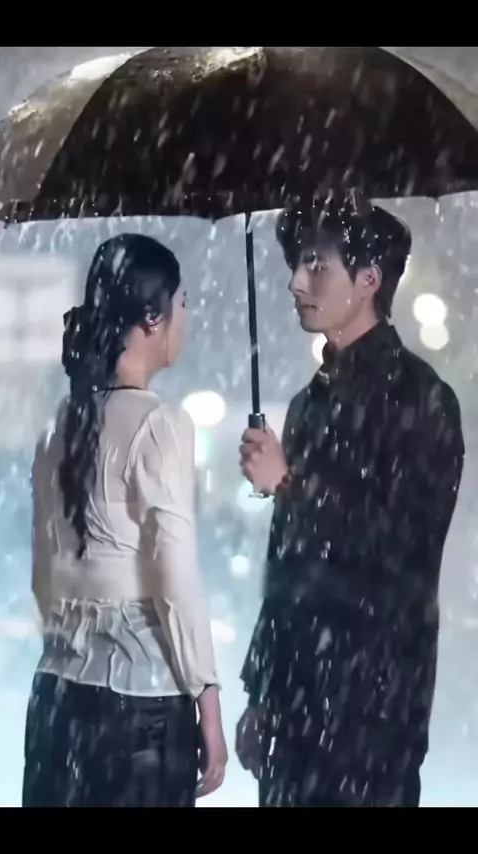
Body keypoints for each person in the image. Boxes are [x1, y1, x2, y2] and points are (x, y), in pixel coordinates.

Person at [236, 192, 464, 807]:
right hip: (295, 713)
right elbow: (285, 562)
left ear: (369, 281)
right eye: (297, 263)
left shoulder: (423, 400)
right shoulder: (309, 404)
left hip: (372, 713)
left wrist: (291, 486)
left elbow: (403, 549)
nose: (296, 281)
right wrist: (261, 692)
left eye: (316, 264)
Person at [23, 233, 227, 807]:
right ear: (152, 319)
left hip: (57, 699)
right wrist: (208, 698)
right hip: (141, 707)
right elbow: (175, 578)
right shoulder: (159, 426)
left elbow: (44, 576)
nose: (186, 318)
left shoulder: (56, 429)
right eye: (182, 303)